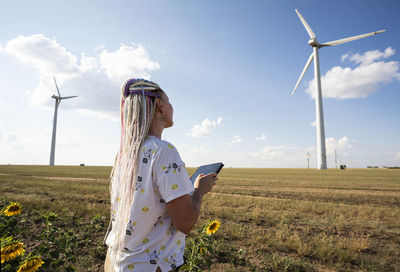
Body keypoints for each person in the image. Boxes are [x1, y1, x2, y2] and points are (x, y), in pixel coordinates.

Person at [104, 78, 218, 272]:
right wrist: (198, 191)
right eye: (169, 100)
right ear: (160, 106)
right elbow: (185, 223)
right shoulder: (163, 151)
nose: (172, 106)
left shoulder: (125, 154)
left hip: (117, 261)